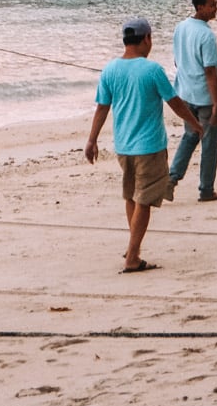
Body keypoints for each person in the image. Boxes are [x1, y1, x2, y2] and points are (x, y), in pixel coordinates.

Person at [85, 16, 204, 272]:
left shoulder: (110, 69)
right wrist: (195, 123)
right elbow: (174, 102)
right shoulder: (152, 70)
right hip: (149, 146)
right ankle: (133, 256)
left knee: (132, 196)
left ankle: (133, 247)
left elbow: (102, 108)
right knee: (144, 201)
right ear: (146, 39)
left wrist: (92, 139)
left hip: (123, 146)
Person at [169, 0, 217, 202]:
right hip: (203, 97)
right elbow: (210, 71)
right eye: (212, 5)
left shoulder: (181, 27)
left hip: (184, 92)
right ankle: (206, 189)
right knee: (210, 143)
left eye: (216, 5)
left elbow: (177, 59)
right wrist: (216, 104)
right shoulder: (206, 36)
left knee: (190, 136)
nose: (215, 9)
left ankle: (171, 178)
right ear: (200, 6)